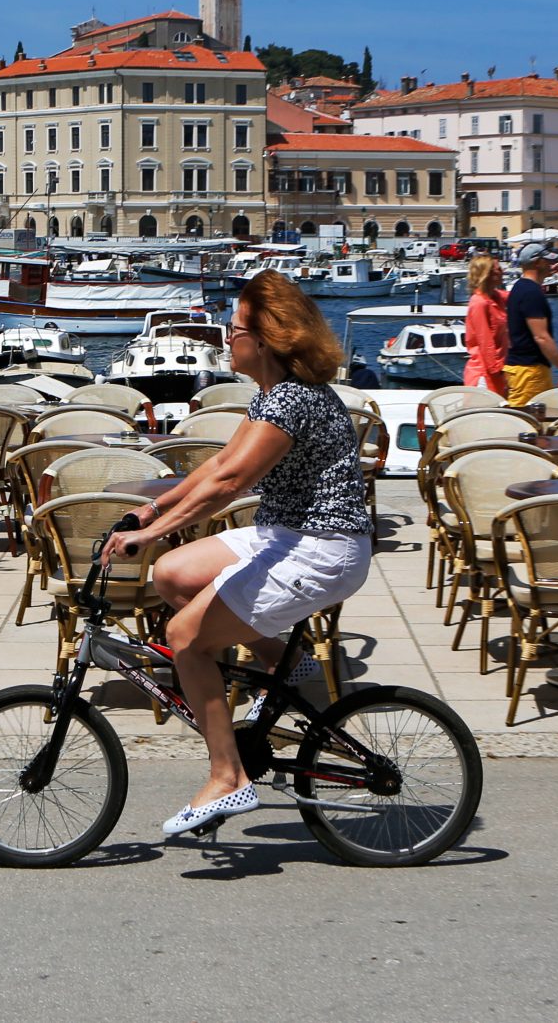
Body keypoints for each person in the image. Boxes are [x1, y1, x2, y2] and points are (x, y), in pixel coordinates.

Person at [102, 270, 372, 837]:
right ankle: (285, 664)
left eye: (236, 327)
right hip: (285, 534)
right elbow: (217, 467)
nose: (227, 336)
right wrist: (149, 516)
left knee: (184, 640)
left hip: (322, 550)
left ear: (267, 338)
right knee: (173, 575)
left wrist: (146, 535)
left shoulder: (295, 402)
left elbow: (229, 489)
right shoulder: (273, 395)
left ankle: (228, 777)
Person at [503, 244, 558, 408]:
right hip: (529, 372)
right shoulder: (531, 293)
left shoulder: (519, 287)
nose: (550, 265)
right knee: (529, 425)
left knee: (536, 425)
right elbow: (541, 337)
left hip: (519, 369)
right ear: (537, 262)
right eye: (546, 261)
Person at [461, 254, 509, 395]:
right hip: (485, 375)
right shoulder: (479, 302)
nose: (502, 272)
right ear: (486, 274)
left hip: (498, 372)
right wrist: (497, 371)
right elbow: (485, 342)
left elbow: (519, 295)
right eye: (497, 269)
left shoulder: (496, 296)